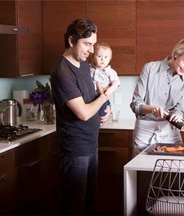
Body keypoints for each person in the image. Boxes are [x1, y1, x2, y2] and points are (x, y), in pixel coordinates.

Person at [50, 18, 111, 215]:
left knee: (88, 204)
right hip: (75, 149)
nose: (91, 50)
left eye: (93, 44)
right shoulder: (62, 72)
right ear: (71, 41)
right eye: (87, 44)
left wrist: (105, 106)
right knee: (73, 206)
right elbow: (83, 113)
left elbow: (90, 96)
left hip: (91, 144)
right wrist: (105, 97)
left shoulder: (83, 64)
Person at [130, 38, 184, 156]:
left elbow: (179, 108)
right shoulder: (150, 69)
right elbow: (136, 104)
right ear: (176, 54)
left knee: (172, 171)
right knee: (142, 171)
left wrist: (177, 115)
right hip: (145, 130)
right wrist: (152, 109)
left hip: (169, 131)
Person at [90, 42, 120, 117]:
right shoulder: (89, 68)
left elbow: (116, 83)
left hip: (103, 97)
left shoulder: (110, 72)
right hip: (90, 98)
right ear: (93, 58)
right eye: (99, 56)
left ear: (109, 59)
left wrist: (109, 90)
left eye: (106, 57)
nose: (102, 59)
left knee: (101, 115)